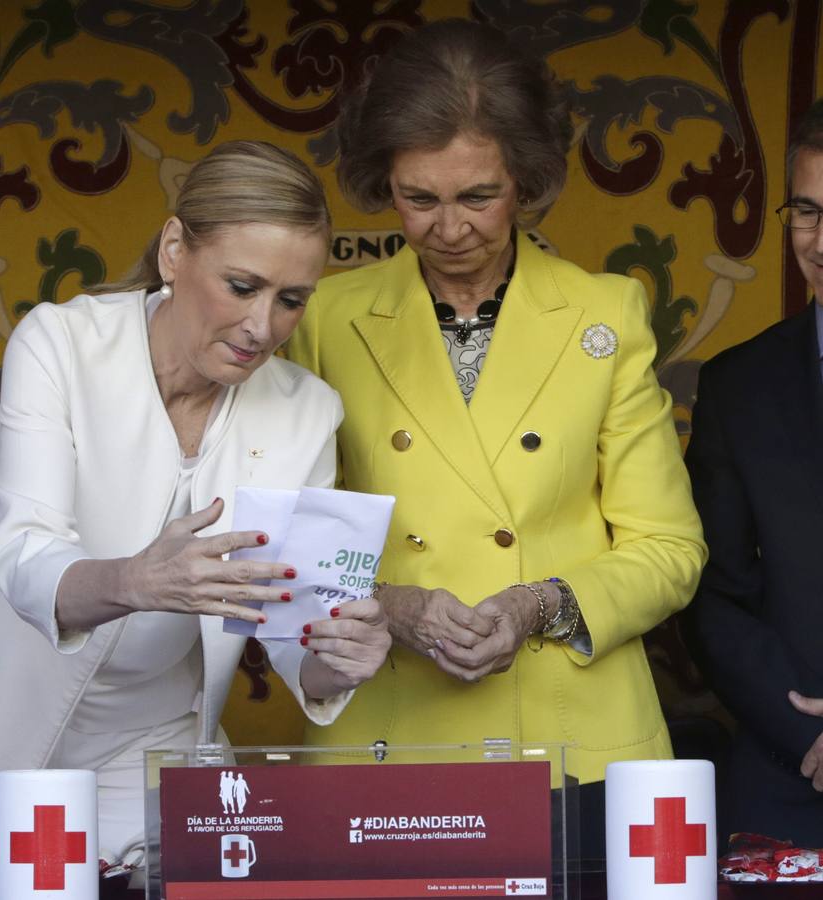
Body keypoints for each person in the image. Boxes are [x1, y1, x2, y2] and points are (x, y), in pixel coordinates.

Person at [0, 141, 391, 867]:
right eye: (242, 286)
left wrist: (339, 658)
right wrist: (140, 580)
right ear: (175, 249)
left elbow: (296, 631)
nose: (262, 327)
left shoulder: (307, 412)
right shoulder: (59, 344)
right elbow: (24, 558)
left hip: (149, 745)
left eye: (291, 300)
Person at [286, 20, 706, 860]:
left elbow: (670, 549)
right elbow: (289, 539)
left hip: (567, 733)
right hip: (391, 730)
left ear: (528, 179)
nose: (449, 228)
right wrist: (398, 608)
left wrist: (533, 605)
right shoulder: (324, 317)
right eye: (419, 198)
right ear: (383, 185)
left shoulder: (605, 313)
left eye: (479, 196)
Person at [682, 99, 823, 846]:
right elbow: (712, 593)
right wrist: (803, 733)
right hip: (792, 781)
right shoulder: (740, 384)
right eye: (807, 211)